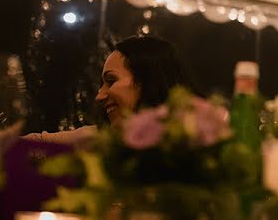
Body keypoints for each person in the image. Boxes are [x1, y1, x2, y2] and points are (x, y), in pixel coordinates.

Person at [24, 35, 190, 146]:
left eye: (111, 81)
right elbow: (25, 146)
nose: (99, 96)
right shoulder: (97, 142)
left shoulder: (200, 147)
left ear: (149, 81)